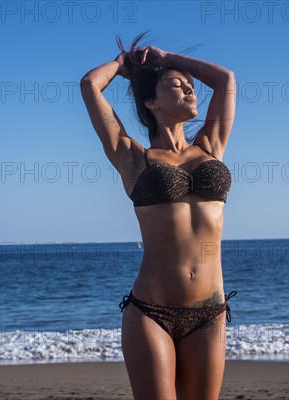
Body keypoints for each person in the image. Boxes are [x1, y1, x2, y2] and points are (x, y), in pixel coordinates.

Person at [79, 32, 238, 399]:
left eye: (190, 85)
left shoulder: (211, 146)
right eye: (176, 85)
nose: (190, 90)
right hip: (150, 312)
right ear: (151, 101)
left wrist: (168, 57)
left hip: (209, 313)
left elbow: (225, 80)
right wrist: (124, 66)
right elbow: (90, 85)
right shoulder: (134, 157)